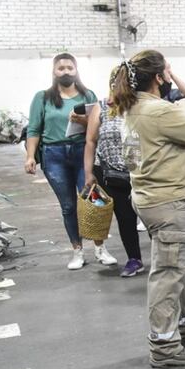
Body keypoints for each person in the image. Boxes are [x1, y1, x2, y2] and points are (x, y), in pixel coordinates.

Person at [110, 50, 185, 368]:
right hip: (169, 202)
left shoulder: (131, 109)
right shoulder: (158, 110)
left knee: (179, 268)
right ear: (159, 77)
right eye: (168, 70)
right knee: (168, 273)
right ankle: (163, 345)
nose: (171, 74)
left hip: (151, 198)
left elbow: (132, 159)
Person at [24, 53, 117, 270]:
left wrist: (83, 120)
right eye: (61, 68)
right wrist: (30, 156)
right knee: (68, 206)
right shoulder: (42, 98)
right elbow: (34, 129)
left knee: (94, 200)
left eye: (69, 67)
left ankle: (100, 249)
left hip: (81, 152)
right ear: (54, 72)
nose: (65, 71)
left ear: (76, 70)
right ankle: (77, 251)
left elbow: (97, 126)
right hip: (53, 155)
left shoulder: (87, 95)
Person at [83, 67, 144, 278]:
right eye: (118, 81)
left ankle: (165, 261)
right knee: (125, 219)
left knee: (153, 217)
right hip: (111, 174)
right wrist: (89, 173)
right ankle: (134, 259)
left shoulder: (141, 106)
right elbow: (90, 141)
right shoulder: (102, 107)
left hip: (141, 173)